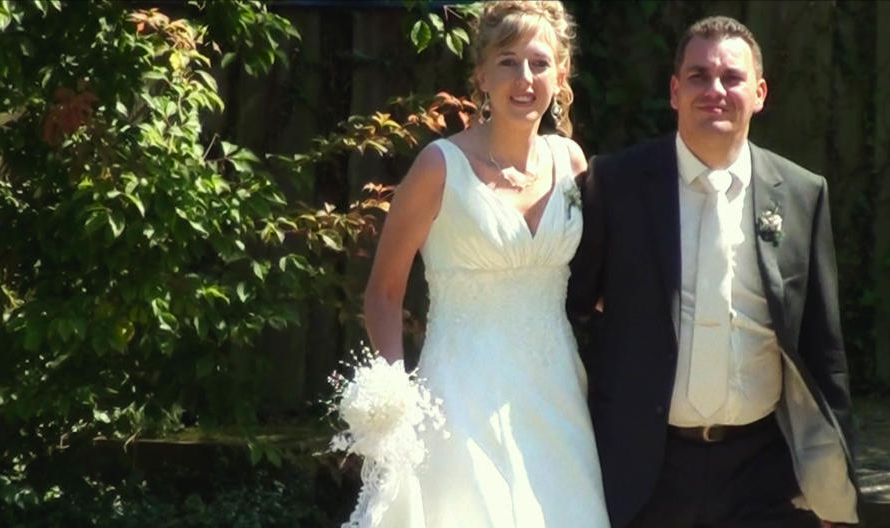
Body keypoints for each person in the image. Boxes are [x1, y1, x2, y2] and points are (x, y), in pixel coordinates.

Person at [568, 16, 860, 528]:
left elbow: (823, 351)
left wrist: (836, 489)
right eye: (699, 76)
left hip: (762, 471)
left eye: (732, 77)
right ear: (675, 91)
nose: (715, 90)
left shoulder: (801, 193)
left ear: (760, 92)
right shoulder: (616, 185)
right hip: (643, 472)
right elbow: (569, 312)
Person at [361, 1, 609, 526]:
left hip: (556, 397)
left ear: (561, 77)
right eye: (508, 62)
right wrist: (392, 399)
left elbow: (597, 284)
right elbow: (384, 292)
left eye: (540, 63)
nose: (525, 78)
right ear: (481, 75)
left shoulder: (572, 163)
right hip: (460, 397)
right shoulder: (439, 166)